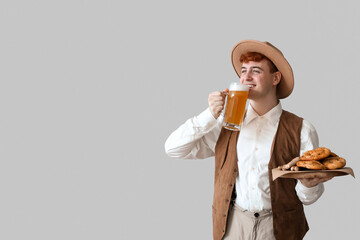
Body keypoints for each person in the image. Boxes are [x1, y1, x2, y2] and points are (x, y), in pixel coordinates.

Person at [164, 40, 332, 240]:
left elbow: (307, 198)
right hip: (233, 225)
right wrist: (209, 115)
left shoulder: (302, 129)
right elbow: (173, 148)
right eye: (243, 71)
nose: (246, 77)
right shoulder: (227, 123)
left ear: (275, 78)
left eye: (256, 71)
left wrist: (309, 185)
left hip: (278, 229)